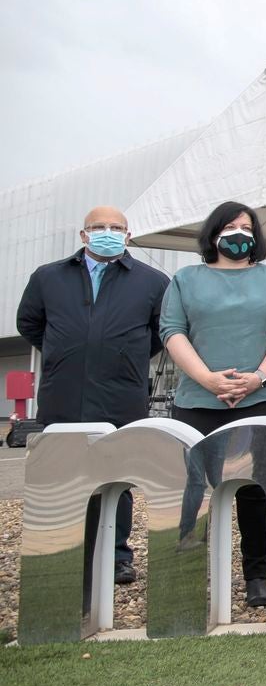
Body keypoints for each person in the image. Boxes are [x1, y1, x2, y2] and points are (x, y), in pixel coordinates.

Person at [16, 205, 169, 598]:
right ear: (83, 235)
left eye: (116, 227)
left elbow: (159, 334)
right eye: (98, 227)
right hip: (62, 392)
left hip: (121, 394)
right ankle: (63, 547)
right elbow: (30, 323)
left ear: (128, 235)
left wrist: (119, 356)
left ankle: (117, 554)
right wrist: (67, 352)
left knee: (115, 476)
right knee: (64, 473)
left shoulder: (152, 282)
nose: (107, 232)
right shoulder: (48, 277)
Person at [161, 201, 266, 609]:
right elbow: (172, 330)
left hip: (260, 398)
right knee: (196, 488)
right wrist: (207, 378)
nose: (239, 233)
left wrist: (258, 377)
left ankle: (258, 575)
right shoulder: (186, 279)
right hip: (197, 401)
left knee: (258, 489)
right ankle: (187, 569)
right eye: (230, 226)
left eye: (247, 226)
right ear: (213, 233)